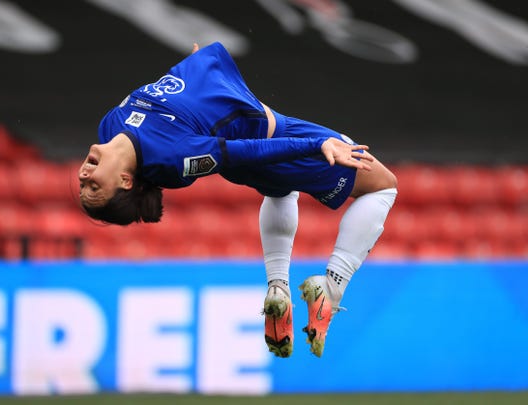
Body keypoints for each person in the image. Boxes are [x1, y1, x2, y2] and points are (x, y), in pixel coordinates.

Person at [78, 42, 397, 358]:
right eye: (94, 189)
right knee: (383, 186)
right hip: (272, 142)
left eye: (84, 188)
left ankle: (278, 287)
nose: (83, 179)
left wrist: (194, 66)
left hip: (260, 152)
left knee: (282, 189)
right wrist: (316, 144)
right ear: (124, 181)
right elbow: (246, 151)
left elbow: (172, 101)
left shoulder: (110, 127)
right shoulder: (174, 157)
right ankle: (330, 289)